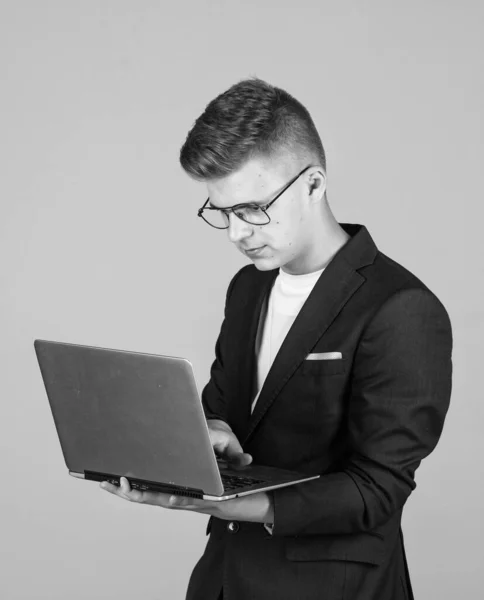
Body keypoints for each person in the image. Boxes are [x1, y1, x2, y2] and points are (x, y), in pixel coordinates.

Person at [100, 78, 453, 600]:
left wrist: (229, 504)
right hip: (225, 577)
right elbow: (226, 412)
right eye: (221, 212)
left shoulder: (401, 308)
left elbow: (378, 489)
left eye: (252, 209)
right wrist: (199, 442)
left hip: (335, 586)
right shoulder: (248, 287)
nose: (238, 233)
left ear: (313, 184)